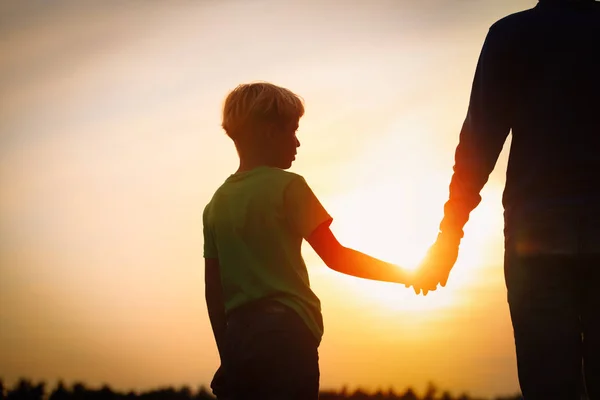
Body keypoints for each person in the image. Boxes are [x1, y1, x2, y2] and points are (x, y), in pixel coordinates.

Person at [415, 0, 600, 398]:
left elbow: (478, 145)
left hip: (536, 234)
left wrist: (450, 235)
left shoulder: (510, 35)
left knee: (550, 385)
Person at [203, 82, 412, 400]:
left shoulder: (215, 204)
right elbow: (336, 257)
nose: (297, 142)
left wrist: (227, 358)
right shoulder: (291, 187)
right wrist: (406, 275)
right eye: (292, 130)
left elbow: (213, 292)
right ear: (268, 132)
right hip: (287, 334)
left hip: (239, 339)